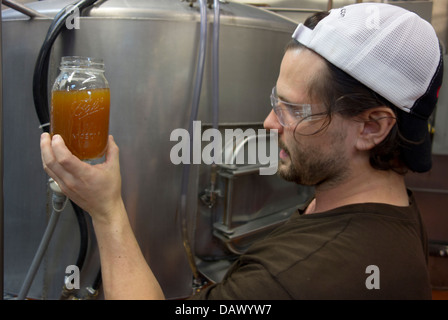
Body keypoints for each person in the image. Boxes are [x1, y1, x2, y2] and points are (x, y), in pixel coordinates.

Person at [40, 3, 443, 299]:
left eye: (292, 110)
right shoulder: (395, 211)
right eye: (275, 100)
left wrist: (107, 211)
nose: (270, 123)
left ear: (372, 127)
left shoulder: (293, 277)